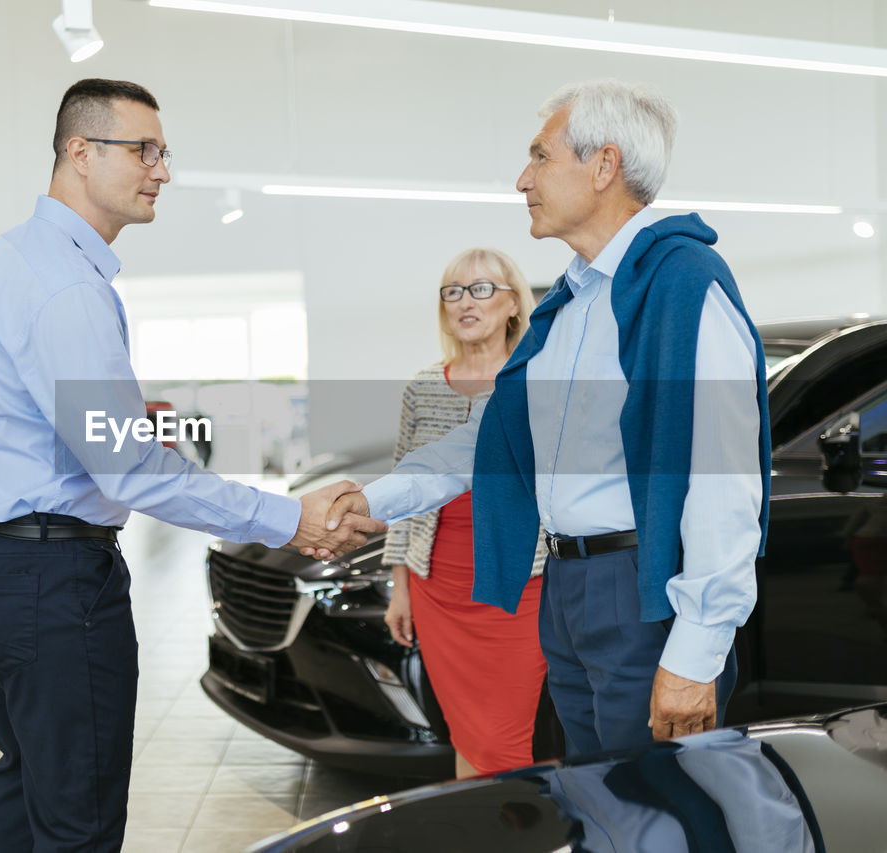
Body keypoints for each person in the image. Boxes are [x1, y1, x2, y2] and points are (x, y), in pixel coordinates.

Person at [0, 78, 383, 852]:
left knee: (26, 783)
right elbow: (129, 472)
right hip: (54, 581)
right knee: (77, 813)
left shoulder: (12, 259)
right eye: (143, 149)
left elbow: (49, 426)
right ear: (79, 152)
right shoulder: (68, 289)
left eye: (162, 151)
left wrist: (123, 434)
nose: (162, 170)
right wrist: (292, 515)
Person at [321, 79, 770, 758]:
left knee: (655, 810)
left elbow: (722, 477)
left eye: (540, 156)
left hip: (641, 591)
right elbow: (498, 437)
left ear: (605, 165)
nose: (522, 179)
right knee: (596, 801)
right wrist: (373, 500)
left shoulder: (683, 284)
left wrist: (698, 649)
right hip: (568, 589)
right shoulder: (570, 302)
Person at [382, 247, 547, 777]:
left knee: (507, 737)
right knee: (467, 731)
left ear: (514, 304)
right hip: (440, 586)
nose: (464, 303)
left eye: (481, 289)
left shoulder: (537, 381)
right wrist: (400, 586)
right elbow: (405, 491)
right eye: (453, 292)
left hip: (521, 581)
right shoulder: (423, 387)